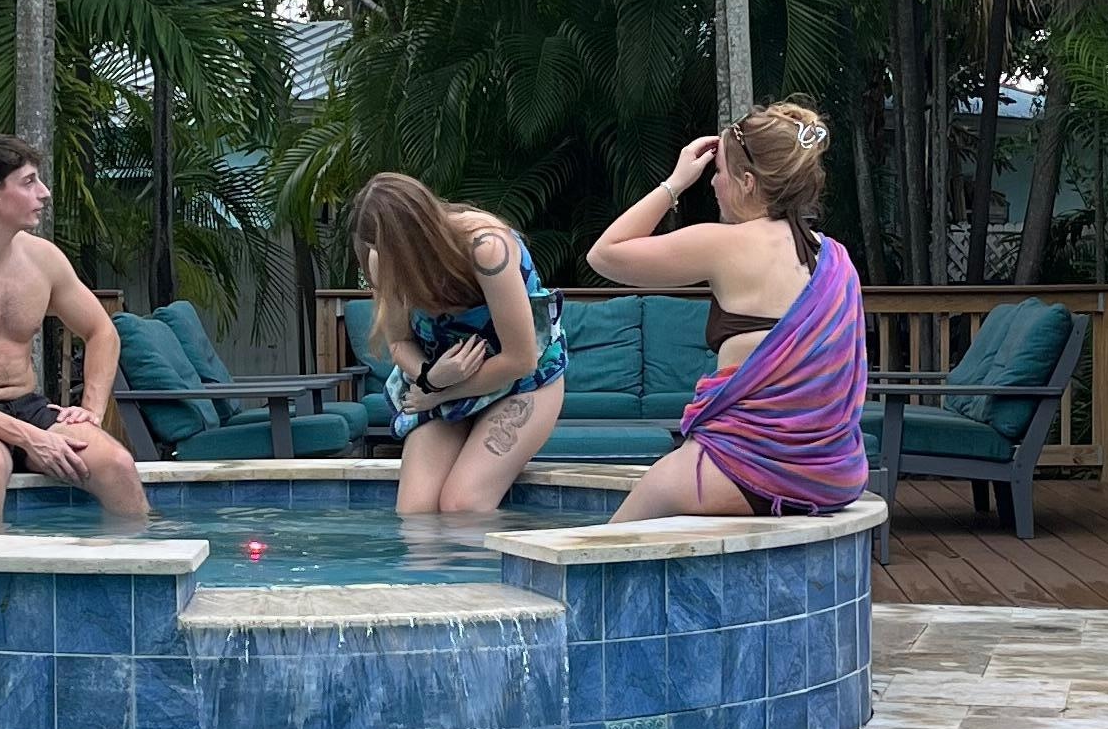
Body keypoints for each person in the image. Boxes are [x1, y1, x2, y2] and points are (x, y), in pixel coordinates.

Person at [585, 102, 869, 522]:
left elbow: (604, 256)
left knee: (607, 547)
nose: (713, 183)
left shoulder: (725, 244)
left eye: (718, 172)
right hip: (832, 474)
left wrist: (675, 183)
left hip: (751, 468)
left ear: (747, 183)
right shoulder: (835, 259)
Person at [0, 137, 151, 533]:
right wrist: (30, 439)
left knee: (117, 464)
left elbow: (101, 330)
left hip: (27, 407)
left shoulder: (43, 259)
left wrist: (91, 410)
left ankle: (137, 565)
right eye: (29, 182)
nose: (44, 193)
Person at [351, 171, 569, 518]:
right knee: (416, 512)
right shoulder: (382, 261)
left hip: (523, 382)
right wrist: (430, 376)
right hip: (439, 384)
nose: (395, 263)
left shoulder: (487, 248)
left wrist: (440, 391)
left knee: (462, 506)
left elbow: (521, 359)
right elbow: (399, 342)